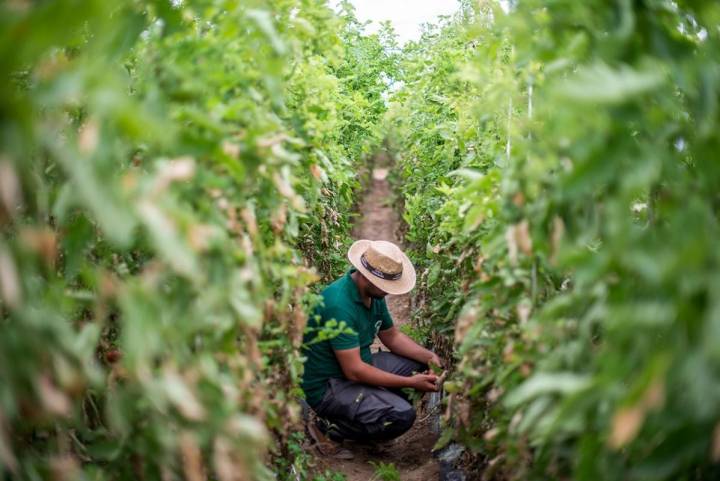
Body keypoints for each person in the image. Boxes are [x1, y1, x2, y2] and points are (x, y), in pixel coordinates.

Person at [301, 239, 443, 458]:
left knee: (418, 365)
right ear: (367, 277)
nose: (389, 292)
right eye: (385, 287)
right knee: (401, 416)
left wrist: (430, 356)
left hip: (356, 365)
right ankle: (330, 429)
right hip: (330, 385)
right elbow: (354, 371)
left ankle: (371, 410)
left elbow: (392, 336)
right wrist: (409, 383)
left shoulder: (371, 293)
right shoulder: (339, 306)